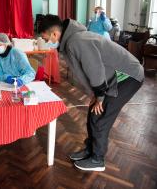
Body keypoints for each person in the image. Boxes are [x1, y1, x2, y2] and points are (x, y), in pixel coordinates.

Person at [39, 15, 144, 171]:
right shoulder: (72, 40)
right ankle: (90, 150)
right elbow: (87, 71)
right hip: (112, 78)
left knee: (101, 117)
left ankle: (97, 159)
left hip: (127, 77)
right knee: (93, 114)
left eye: (46, 38)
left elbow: (95, 69)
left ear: (54, 34)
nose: (48, 42)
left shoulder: (77, 41)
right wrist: (96, 95)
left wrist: (100, 97)